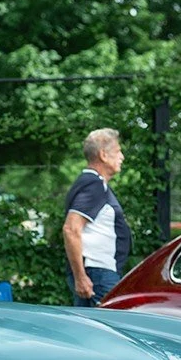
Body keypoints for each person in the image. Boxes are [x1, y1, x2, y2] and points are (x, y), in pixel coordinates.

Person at [62, 128, 133, 306]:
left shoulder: (92, 183)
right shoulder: (93, 184)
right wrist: (81, 277)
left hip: (97, 274)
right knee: (115, 330)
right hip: (97, 275)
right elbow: (71, 229)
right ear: (103, 155)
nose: (122, 156)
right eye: (118, 151)